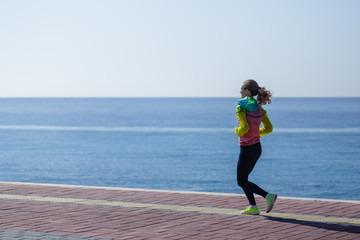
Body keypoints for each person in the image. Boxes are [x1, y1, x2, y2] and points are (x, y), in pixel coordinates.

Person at [234, 79, 277, 215]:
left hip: (246, 148)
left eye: (241, 89)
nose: (239, 91)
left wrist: (237, 131)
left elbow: (244, 128)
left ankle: (267, 196)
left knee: (241, 181)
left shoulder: (241, 107)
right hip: (257, 148)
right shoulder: (260, 109)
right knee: (245, 179)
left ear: (247, 91)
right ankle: (253, 207)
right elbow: (269, 128)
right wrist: (256, 134)